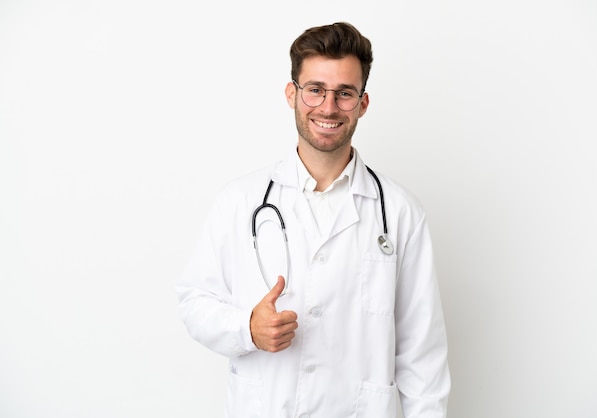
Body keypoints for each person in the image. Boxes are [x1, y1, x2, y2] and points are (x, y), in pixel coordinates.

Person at [177, 21, 450, 418]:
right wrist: (246, 328)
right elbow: (194, 301)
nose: (328, 107)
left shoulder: (400, 212)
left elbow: (422, 354)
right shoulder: (240, 201)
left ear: (363, 103)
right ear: (292, 94)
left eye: (344, 93)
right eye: (315, 90)